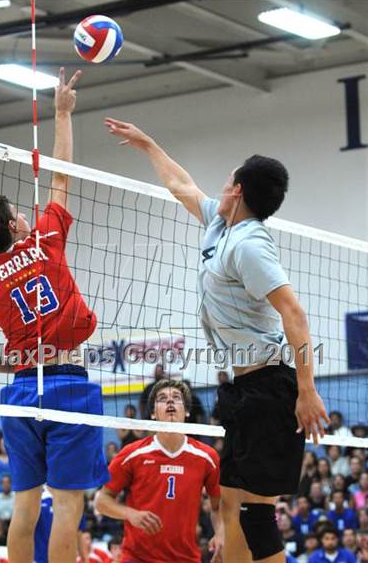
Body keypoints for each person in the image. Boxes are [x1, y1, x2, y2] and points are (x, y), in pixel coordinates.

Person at [105, 117, 330, 563]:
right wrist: (148, 143)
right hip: (241, 389)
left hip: (270, 386)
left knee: (256, 515)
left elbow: (295, 314)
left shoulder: (249, 244)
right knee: (230, 505)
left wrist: (306, 390)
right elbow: (181, 185)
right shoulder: (220, 225)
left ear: (238, 190)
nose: (221, 183)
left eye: (228, 177)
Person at [0, 68, 109, 563]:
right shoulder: (44, 237)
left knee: (24, 506)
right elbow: (63, 175)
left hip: (20, 390)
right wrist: (63, 113)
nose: (26, 213)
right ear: (12, 224)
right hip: (67, 382)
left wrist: (14, 362)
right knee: (68, 506)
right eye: (19, 212)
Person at [95, 379, 223, 563]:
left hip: (186, 558)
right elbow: (101, 501)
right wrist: (131, 514)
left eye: (176, 398)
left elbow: (218, 506)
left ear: (187, 411)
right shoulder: (133, 454)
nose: (170, 401)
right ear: (153, 414)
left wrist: (220, 533)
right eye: (162, 398)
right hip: (137, 558)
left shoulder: (207, 457)